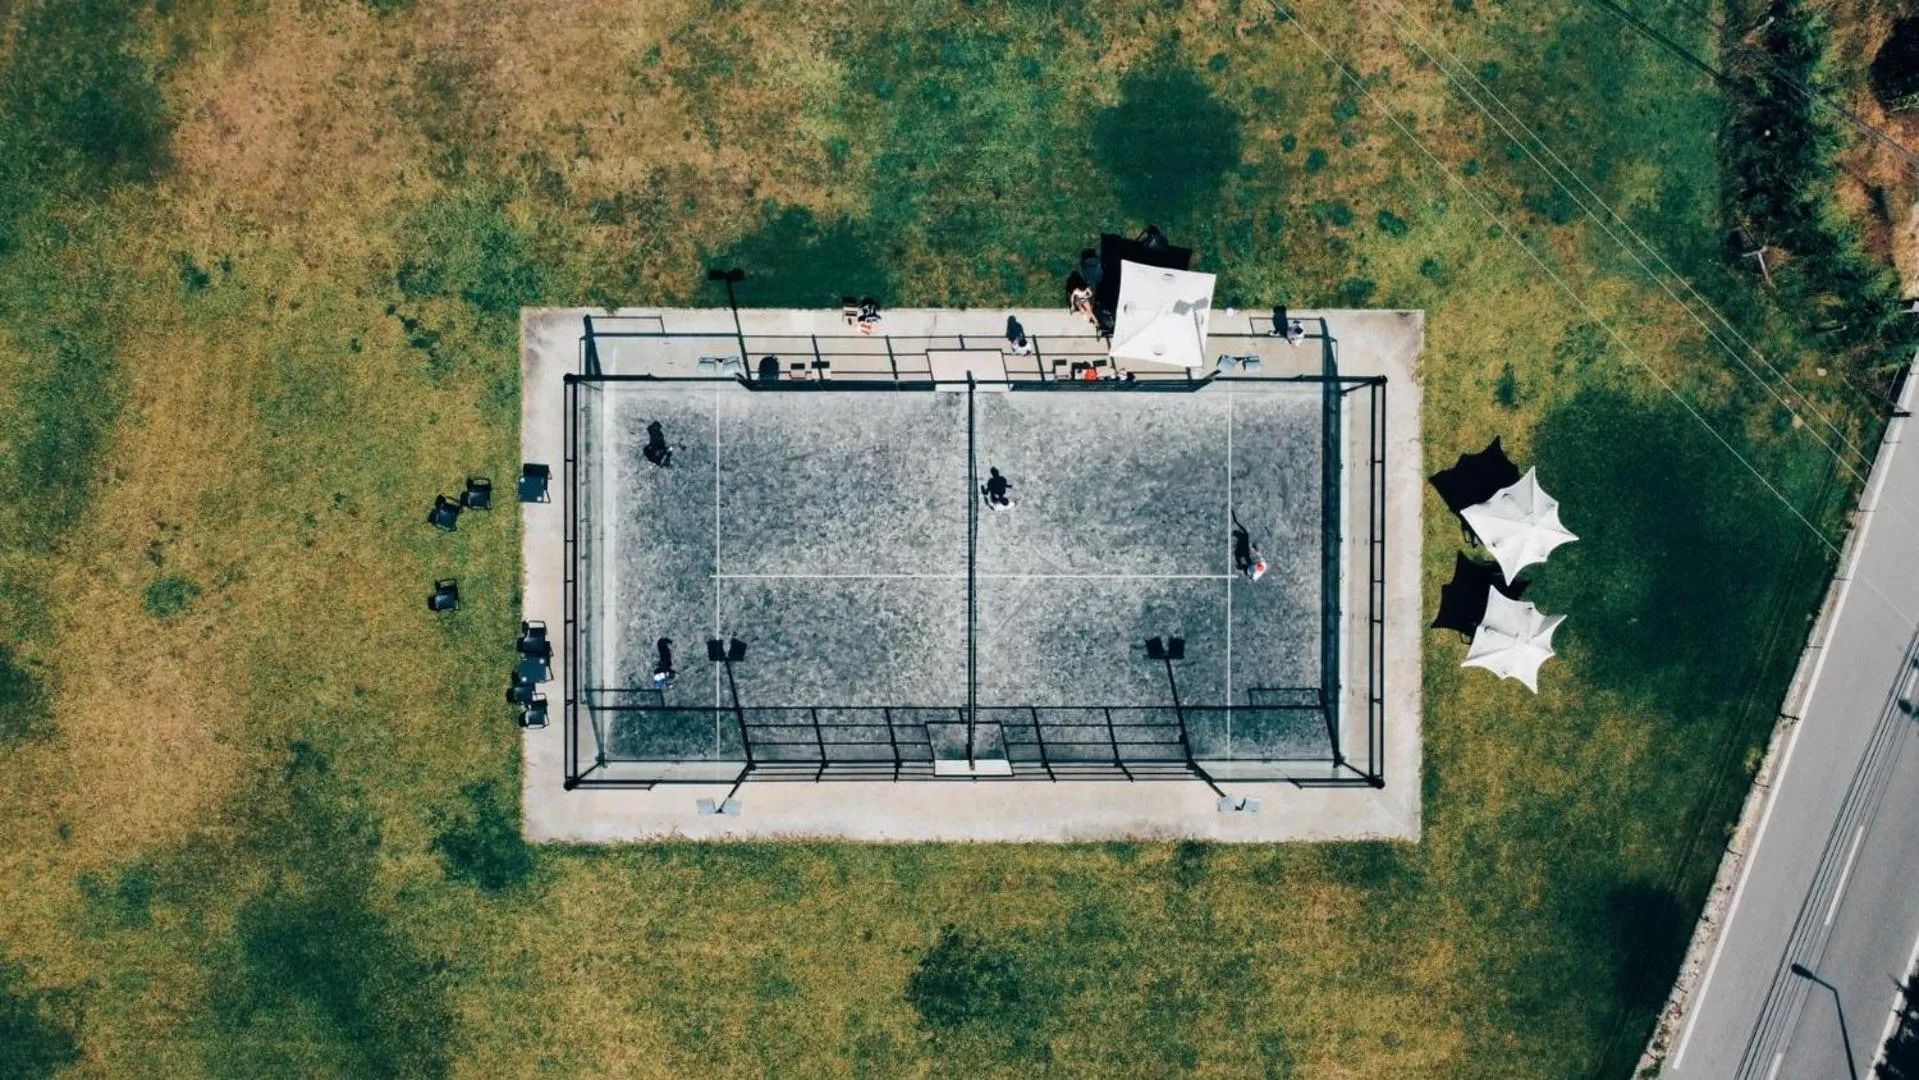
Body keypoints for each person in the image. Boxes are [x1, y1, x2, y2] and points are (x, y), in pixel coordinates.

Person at [1232, 513, 1268, 582]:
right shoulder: (1263, 564)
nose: (1257, 565)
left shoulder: (1255, 574)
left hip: (1249, 570)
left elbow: (1252, 579)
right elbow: (1259, 555)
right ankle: (1241, 562)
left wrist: (1243, 568)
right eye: (1258, 565)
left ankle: (1241, 565)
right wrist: (1255, 549)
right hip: (1250, 566)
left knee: (1242, 561)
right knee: (1245, 536)